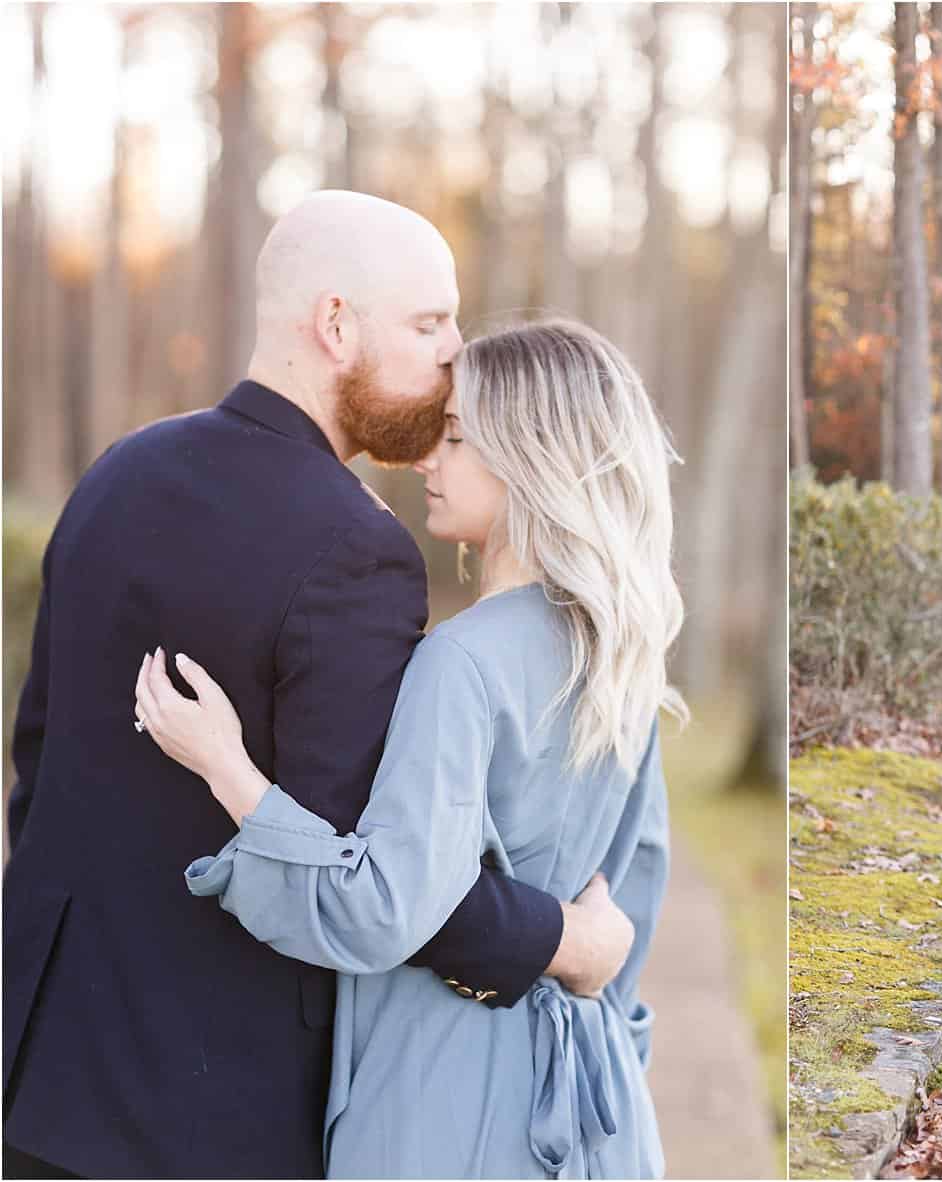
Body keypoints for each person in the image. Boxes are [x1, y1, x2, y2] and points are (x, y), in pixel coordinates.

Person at [2, 193, 633, 1180]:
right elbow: (379, 870)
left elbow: (35, 768)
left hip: (38, 1069)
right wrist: (565, 942)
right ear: (338, 326)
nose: (452, 352)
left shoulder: (118, 472)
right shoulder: (357, 551)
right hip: (217, 1111)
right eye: (429, 324)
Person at [135, 319, 682, 1177]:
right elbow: (631, 916)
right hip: (599, 1111)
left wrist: (229, 771)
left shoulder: (459, 662)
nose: (428, 457)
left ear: (532, 458)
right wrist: (619, 1057)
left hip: (448, 1108)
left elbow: (384, 908)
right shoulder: (623, 656)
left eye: (458, 436)